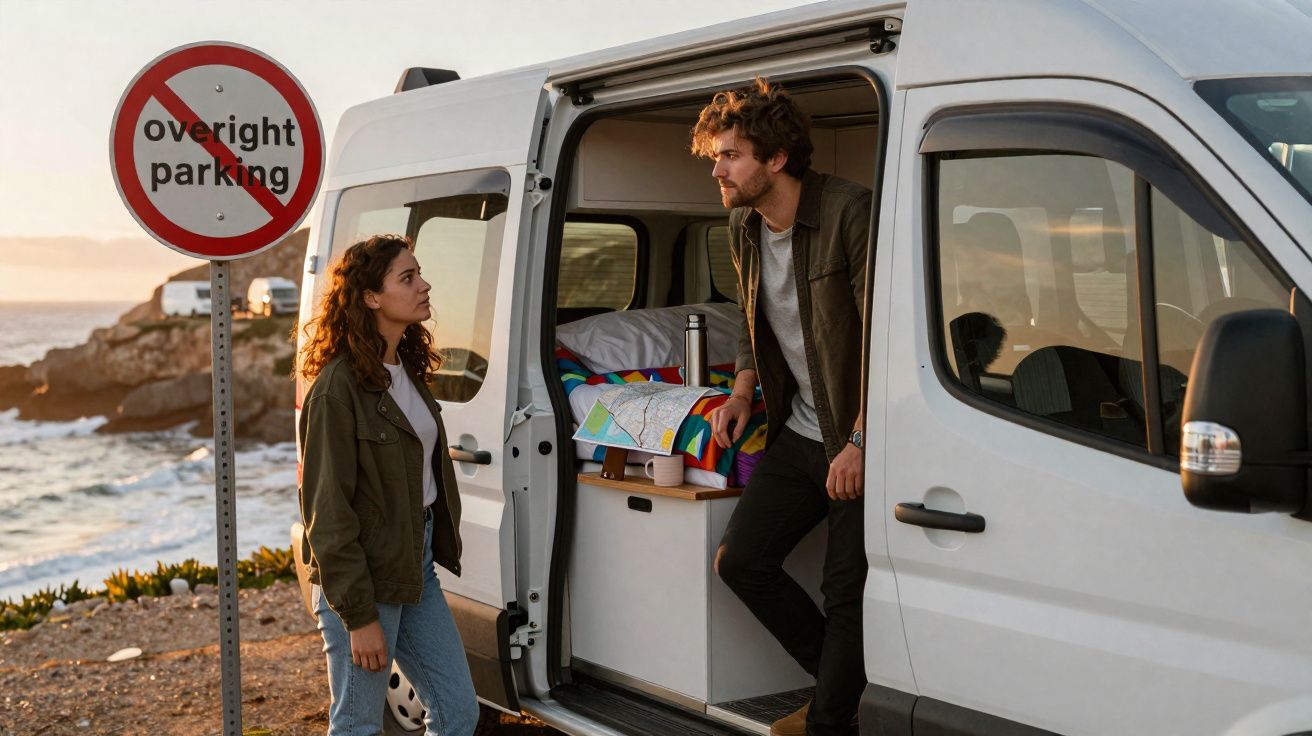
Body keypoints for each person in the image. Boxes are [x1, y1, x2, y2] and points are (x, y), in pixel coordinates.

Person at [692, 78, 872, 736]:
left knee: (845, 594)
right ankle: (845, 690)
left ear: (775, 159)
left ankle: (830, 721)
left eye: (731, 155)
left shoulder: (852, 213)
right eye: (715, 155)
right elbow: (751, 318)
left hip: (858, 437)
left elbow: (887, 334)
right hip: (799, 433)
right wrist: (742, 391)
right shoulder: (743, 226)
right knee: (741, 562)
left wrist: (862, 439)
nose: (717, 169)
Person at [297, 234, 479, 736]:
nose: (424, 285)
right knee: (357, 725)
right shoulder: (336, 390)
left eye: (418, 274)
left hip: (414, 564)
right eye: (408, 277)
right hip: (365, 576)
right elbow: (326, 512)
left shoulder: (405, 370)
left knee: (459, 712)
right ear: (371, 297)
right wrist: (358, 617)